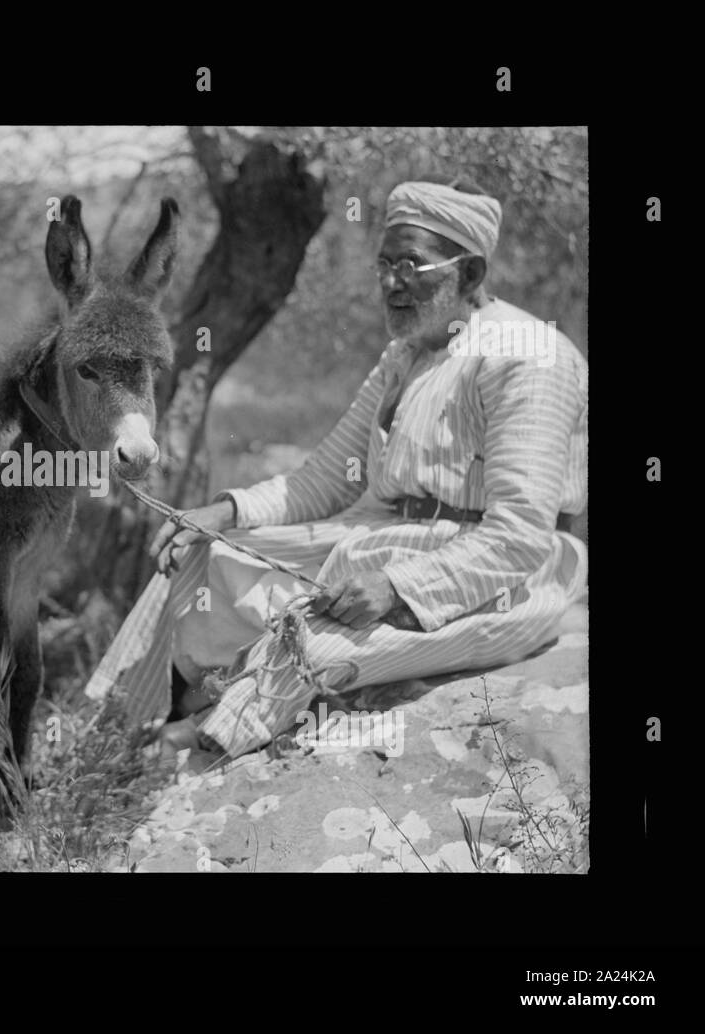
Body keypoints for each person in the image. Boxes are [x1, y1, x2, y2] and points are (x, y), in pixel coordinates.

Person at [90, 178, 589, 769]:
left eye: (412, 264)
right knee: (204, 558)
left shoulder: (529, 355)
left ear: (471, 274)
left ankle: (205, 745)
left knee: (312, 644)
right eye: (384, 264)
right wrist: (220, 515)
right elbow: (323, 482)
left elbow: (519, 536)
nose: (391, 282)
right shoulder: (404, 356)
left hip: (494, 582)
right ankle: (133, 732)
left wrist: (400, 590)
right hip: (381, 539)